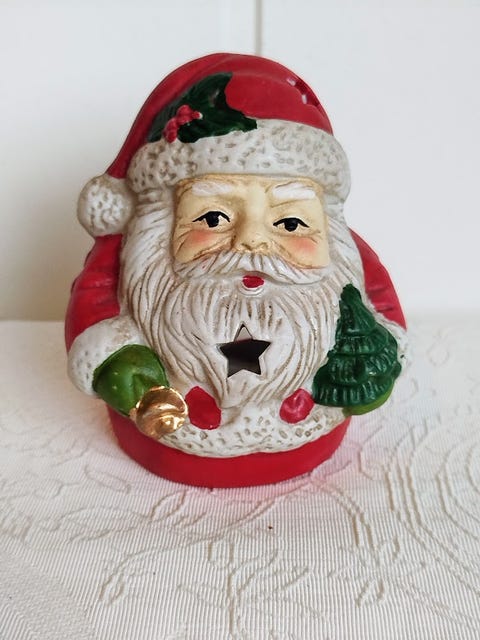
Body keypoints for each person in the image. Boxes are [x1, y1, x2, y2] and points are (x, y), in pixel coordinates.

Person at [66, 54, 406, 486]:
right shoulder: (137, 261)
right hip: (167, 438)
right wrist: (118, 363)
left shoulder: (347, 260)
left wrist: (377, 361)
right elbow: (93, 310)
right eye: (212, 218)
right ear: (161, 223)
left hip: (310, 426)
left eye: (290, 222)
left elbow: (385, 313)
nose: (252, 241)